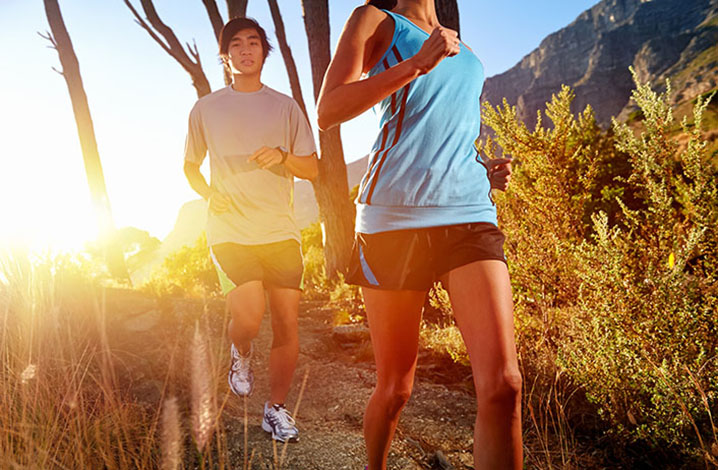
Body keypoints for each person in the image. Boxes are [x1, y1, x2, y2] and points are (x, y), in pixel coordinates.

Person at [316, 1, 521, 469]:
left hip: (469, 212)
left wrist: (482, 171)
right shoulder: (373, 20)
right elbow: (329, 110)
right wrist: (416, 64)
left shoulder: (460, 44)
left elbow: (446, 128)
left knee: (504, 384)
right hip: (393, 221)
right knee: (395, 390)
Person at [183, 17, 318, 443]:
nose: (246, 50)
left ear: (264, 51)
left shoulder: (286, 107)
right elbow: (190, 165)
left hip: (280, 231)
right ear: (225, 56)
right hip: (229, 229)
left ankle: (275, 410)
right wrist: (208, 193)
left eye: (254, 42)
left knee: (286, 324)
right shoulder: (206, 108)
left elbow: (312, 168)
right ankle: (240, 351)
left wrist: (281, 156)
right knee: (248, 315)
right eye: (236, 44)